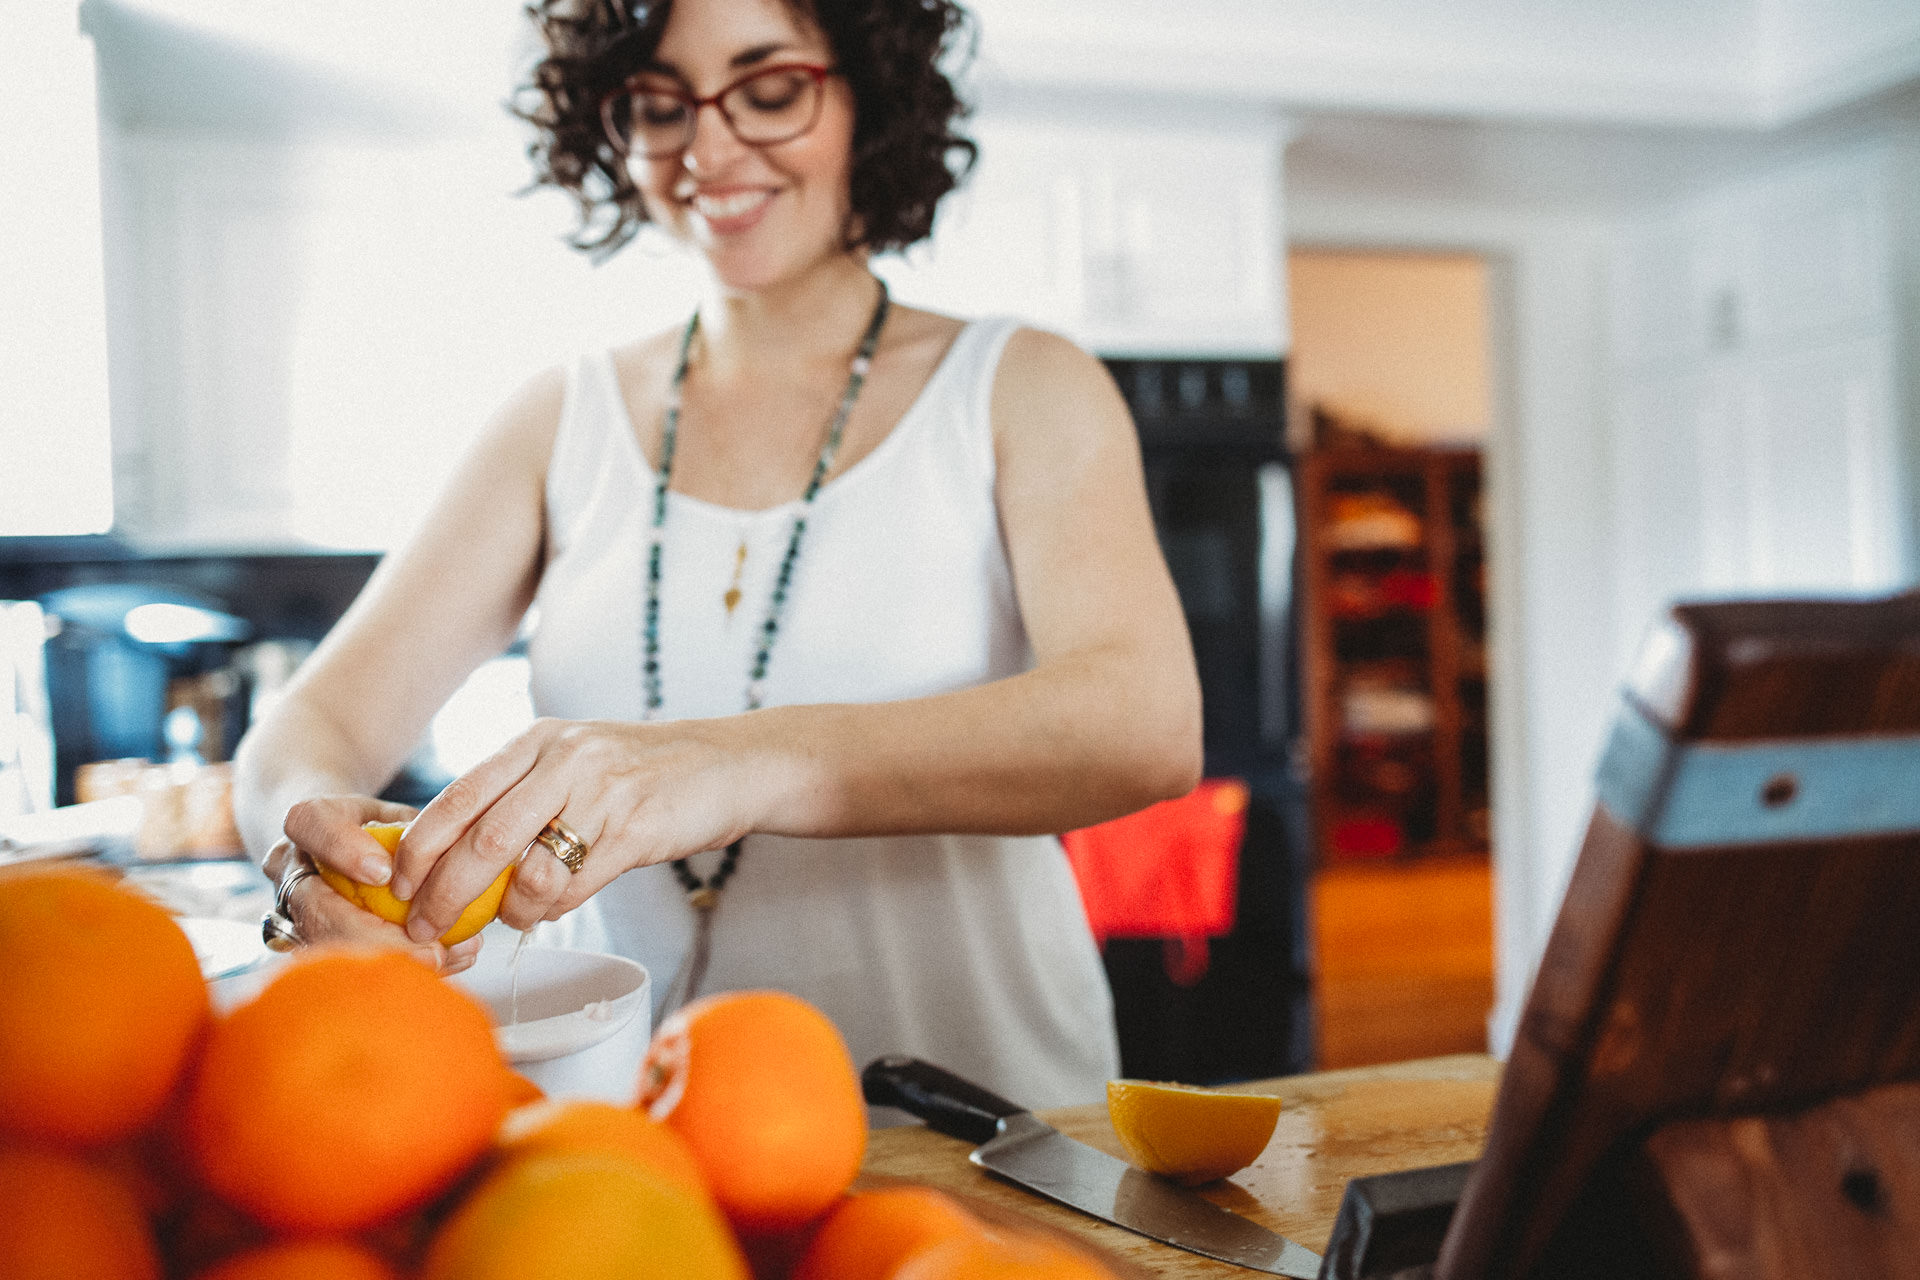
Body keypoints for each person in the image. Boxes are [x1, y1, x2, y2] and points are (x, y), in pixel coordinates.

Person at [233, 0, 1201, 1108]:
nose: (706, 148)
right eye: (659, 101)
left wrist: (733, 765)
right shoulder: (561, 418)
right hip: (630, 1160)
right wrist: (314, 848)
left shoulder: (1022, 384)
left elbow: (1147, 722)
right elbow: (297, 741)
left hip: (984, 1139)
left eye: (769, 88)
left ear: (868, 96)